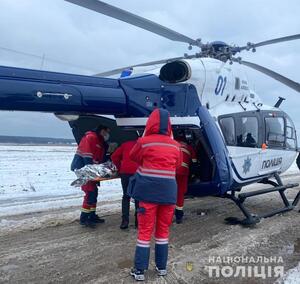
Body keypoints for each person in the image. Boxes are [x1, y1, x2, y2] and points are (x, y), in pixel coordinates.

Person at [128, 108, 182, 281]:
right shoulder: (176, 145)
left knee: (145, 232)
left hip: (148, 194)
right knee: (163, 231)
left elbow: (133, 156)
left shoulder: (144, 142)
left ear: (150, 123)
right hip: (168, 194)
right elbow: (179, 165)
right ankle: (161, 268)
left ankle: (139, 271)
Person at [71, 125, 110, 228]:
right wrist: (91, 171)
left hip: (91, 170)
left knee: (94, 193)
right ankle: (84, 218)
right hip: (84, 169)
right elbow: (87, 155)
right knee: (90, 193)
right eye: (106, 132)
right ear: (102, 131)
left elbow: (100, 158)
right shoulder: (91, 137)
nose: (107, 135)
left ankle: (92, 216)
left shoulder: (99, 141)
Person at [111, 139, 139, 229]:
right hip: (138, 173)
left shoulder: (125, 144)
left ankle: (124, 221)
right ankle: (138, 222)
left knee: (126, 196)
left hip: (125, 172)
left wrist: (119, 167)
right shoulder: (142, 145)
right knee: (138, 197)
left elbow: (114, 156)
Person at [175, 131, 197, 224]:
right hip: (183, 172)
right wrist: (193, 174)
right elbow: (194, 162)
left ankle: (166, 214)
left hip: (171, 171)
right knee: (180, 193)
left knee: (169, 192)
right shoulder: (189, 147)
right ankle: (179, 216)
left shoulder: (173, 145)